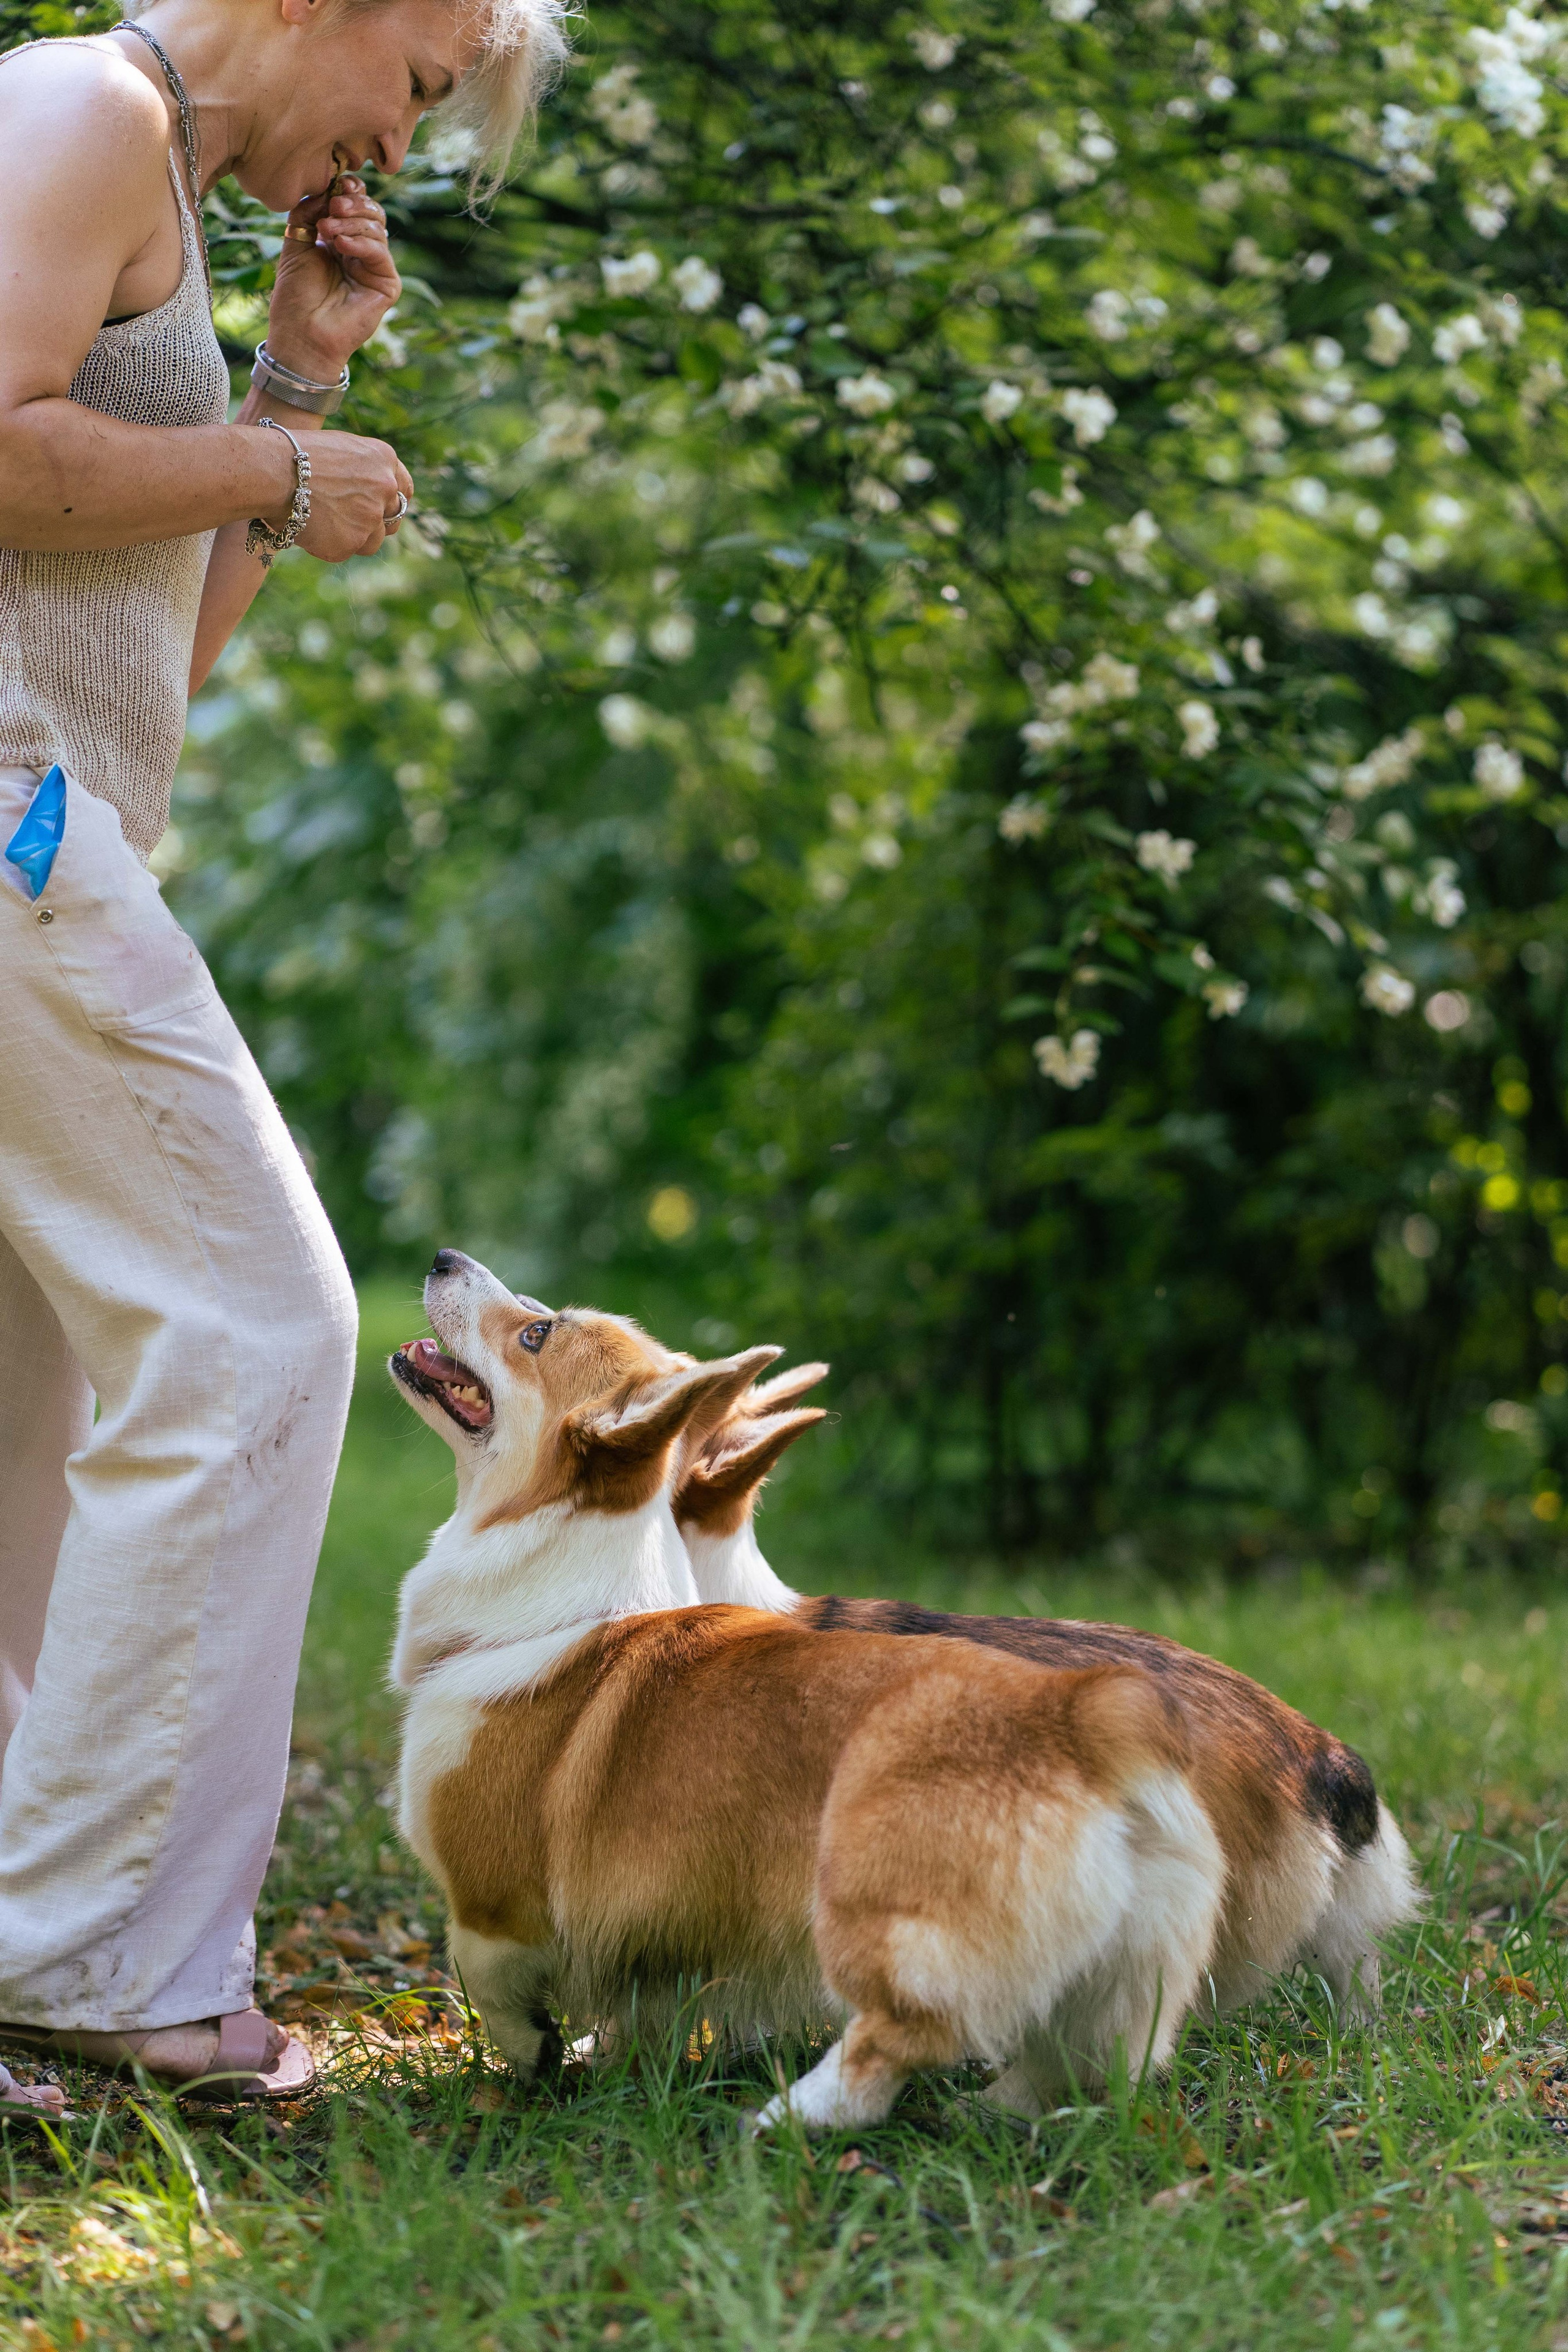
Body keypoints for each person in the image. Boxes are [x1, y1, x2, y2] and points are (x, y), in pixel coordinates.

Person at [0, 0, 565, 2106]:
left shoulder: (148, 177)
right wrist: (285, 462)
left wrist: (297, 374)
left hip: (60, 799)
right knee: (252, 1320)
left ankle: (40, 1924)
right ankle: (107, 1957)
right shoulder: (74, 104)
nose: (394, 143)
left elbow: (153, 642)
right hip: (5, 814)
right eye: (420, 88)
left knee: (34, 1411)